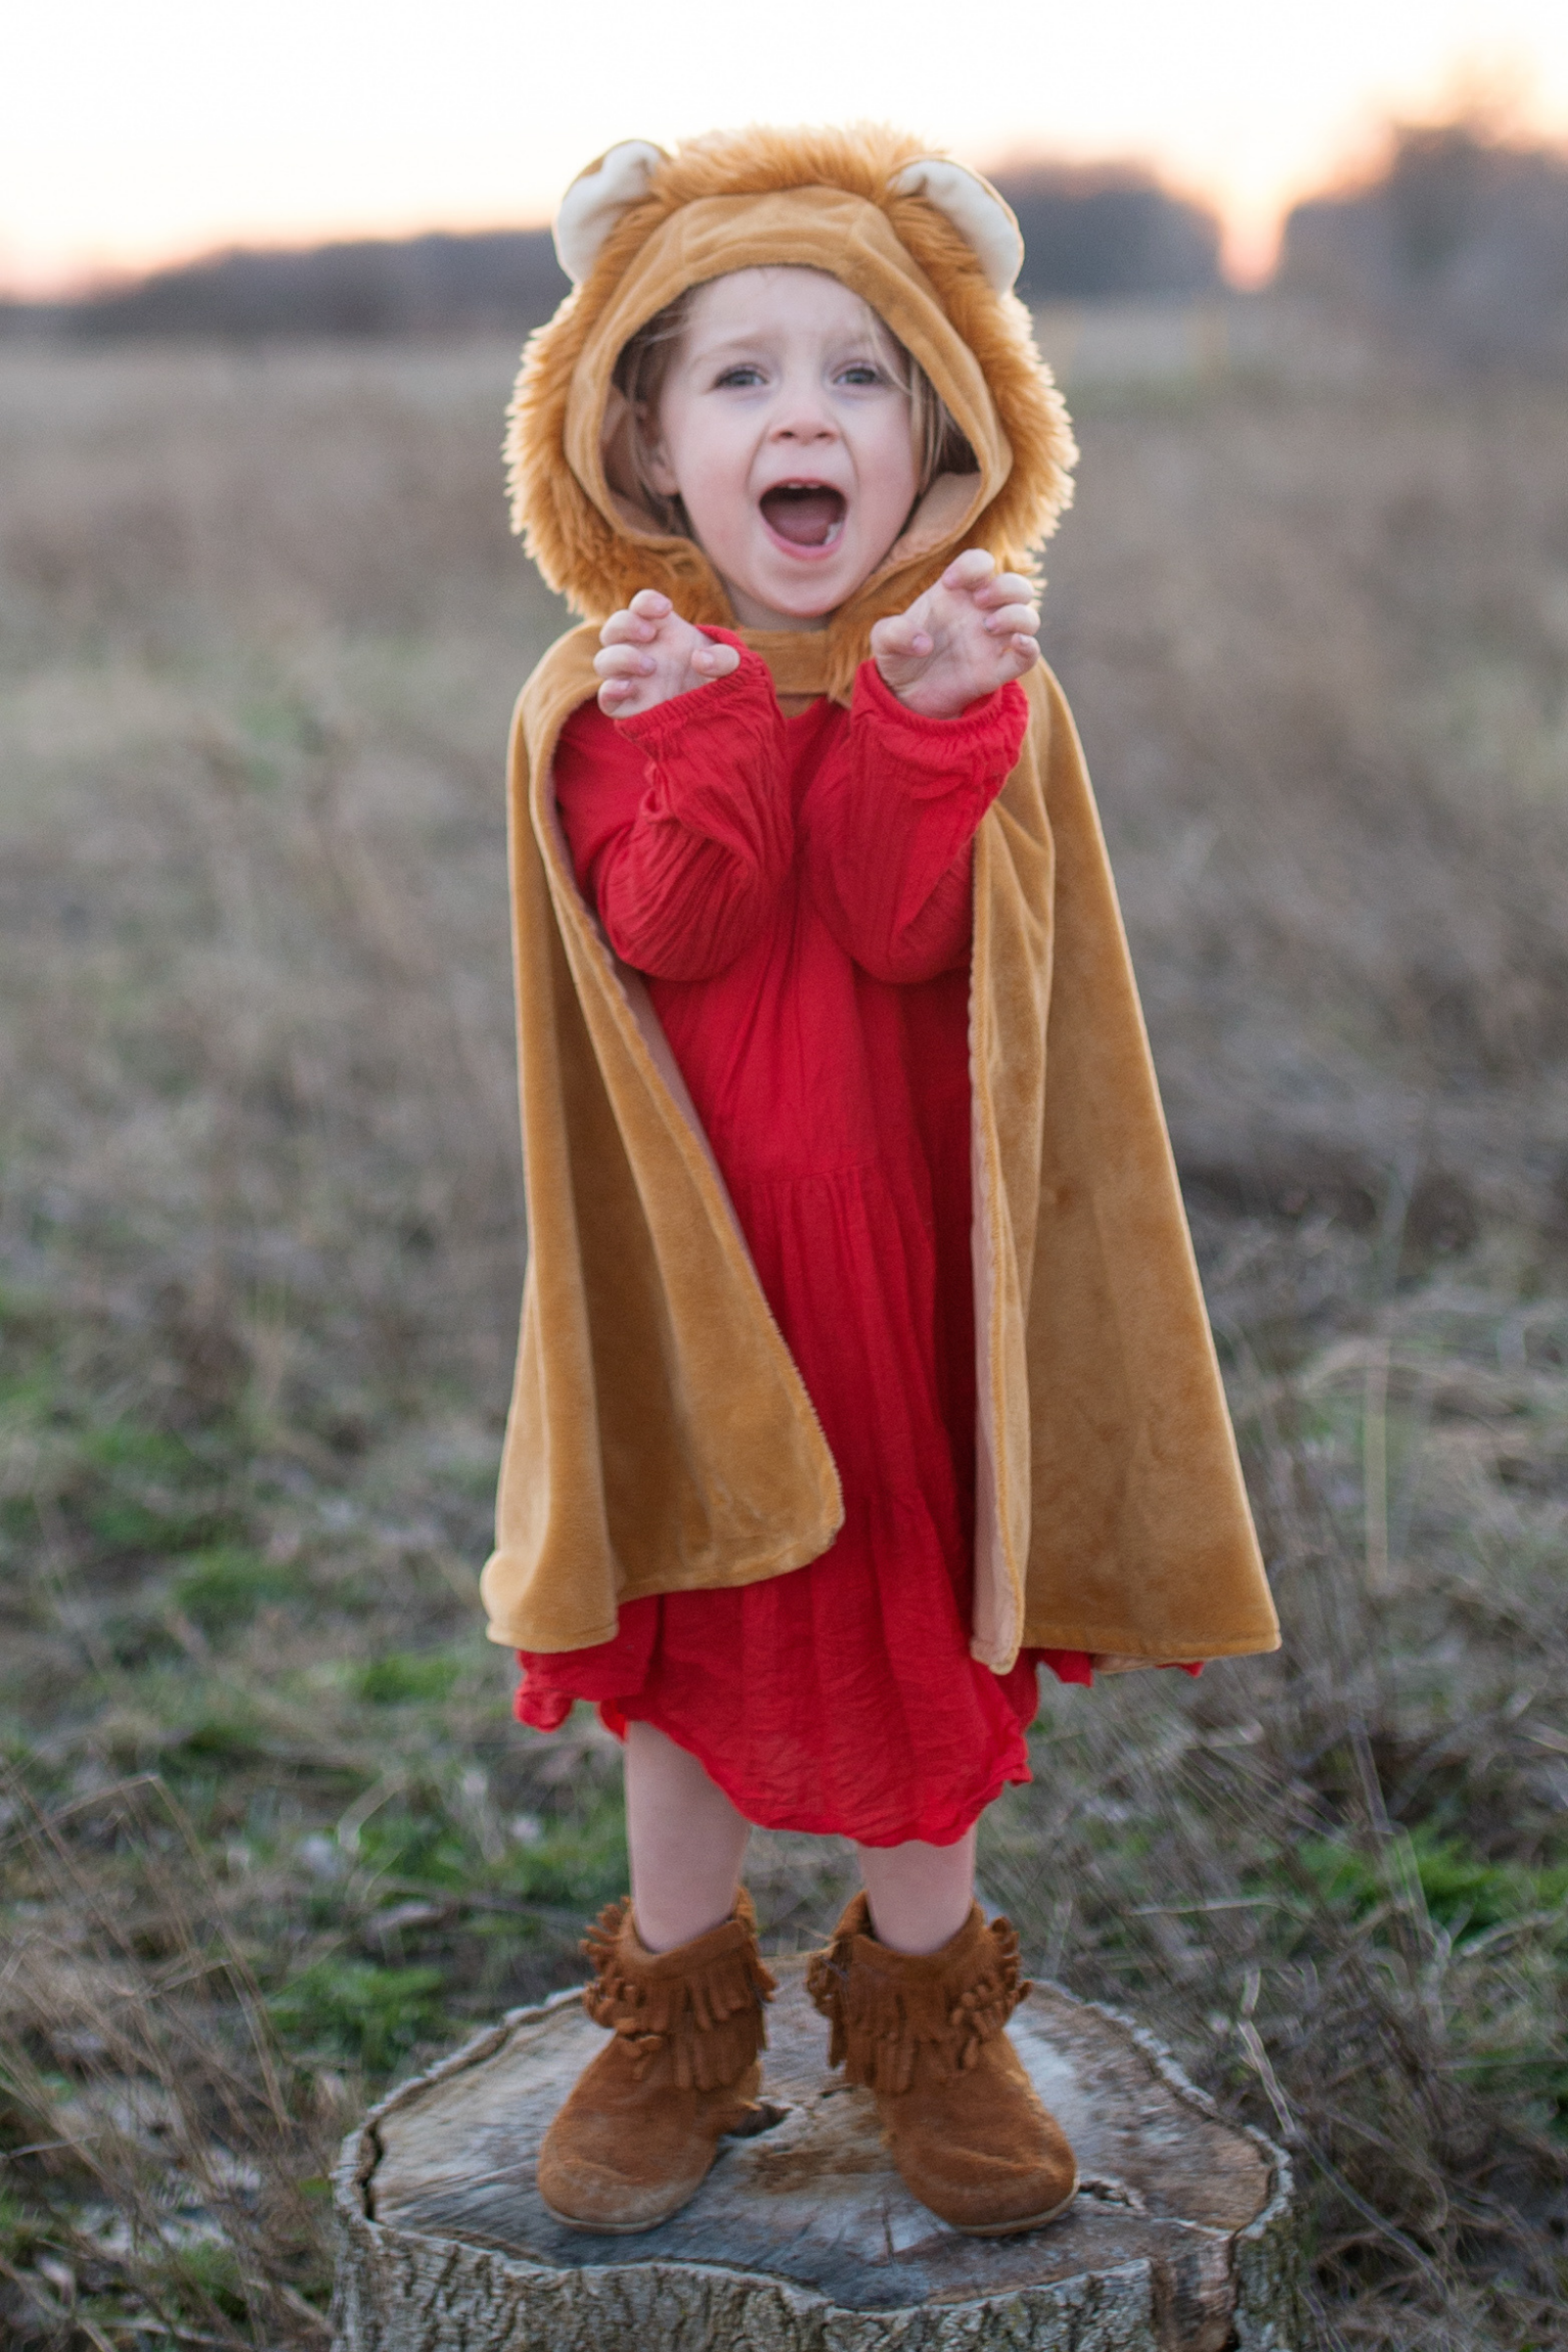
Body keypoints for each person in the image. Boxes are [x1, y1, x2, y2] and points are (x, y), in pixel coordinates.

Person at [483, 125, 1280, 2240]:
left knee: (912, 1662)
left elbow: (906, 924)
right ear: (642, 443)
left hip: (904, 1290)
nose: (802, 415)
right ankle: (677, 2024)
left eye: (857, 373)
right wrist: (702, 738)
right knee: (687, 1660)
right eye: (738, 377)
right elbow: (673, 925)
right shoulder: (606, 691)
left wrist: (925, 728)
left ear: (942, 434)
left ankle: (931, 2028)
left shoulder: (977, 681)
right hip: (699, 1291)